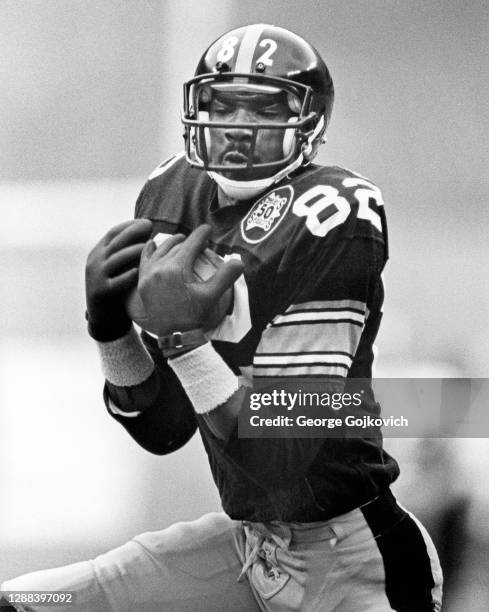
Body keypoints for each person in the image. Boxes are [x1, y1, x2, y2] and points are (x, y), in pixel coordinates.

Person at [1, 24, 443, 612]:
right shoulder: (174, 191)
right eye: (222, 103)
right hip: (250, 547)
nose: (237, 124)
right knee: (37, 601)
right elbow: (163, 428)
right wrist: (111, 332)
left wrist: (184, 342)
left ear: (308, 125)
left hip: (353, 565)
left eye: (262, 108)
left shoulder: (333, 214)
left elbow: (283, 453)